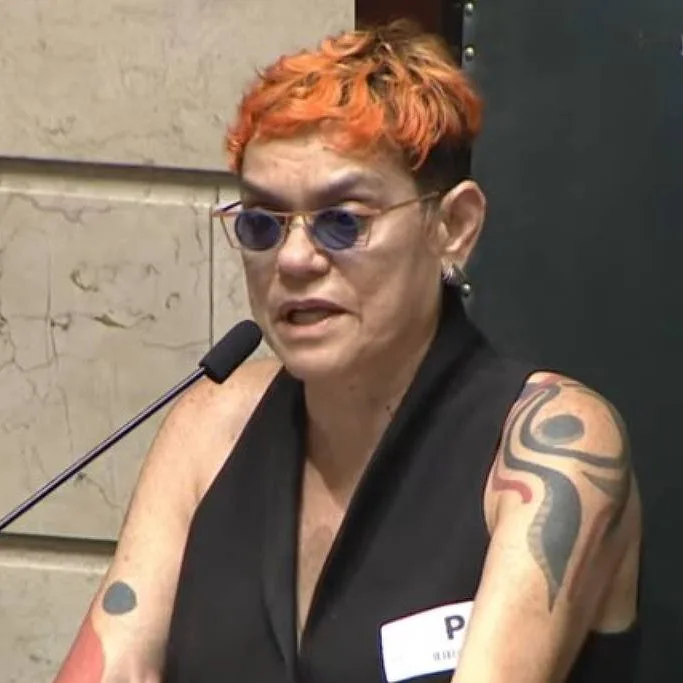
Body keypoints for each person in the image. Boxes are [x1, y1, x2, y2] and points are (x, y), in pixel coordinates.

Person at [55, 19, 641, 683]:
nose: (294, 259)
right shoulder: (212, 423)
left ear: (453, 226)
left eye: (342, 222)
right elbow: (112, 663)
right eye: (262, 223)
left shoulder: (551, 443)